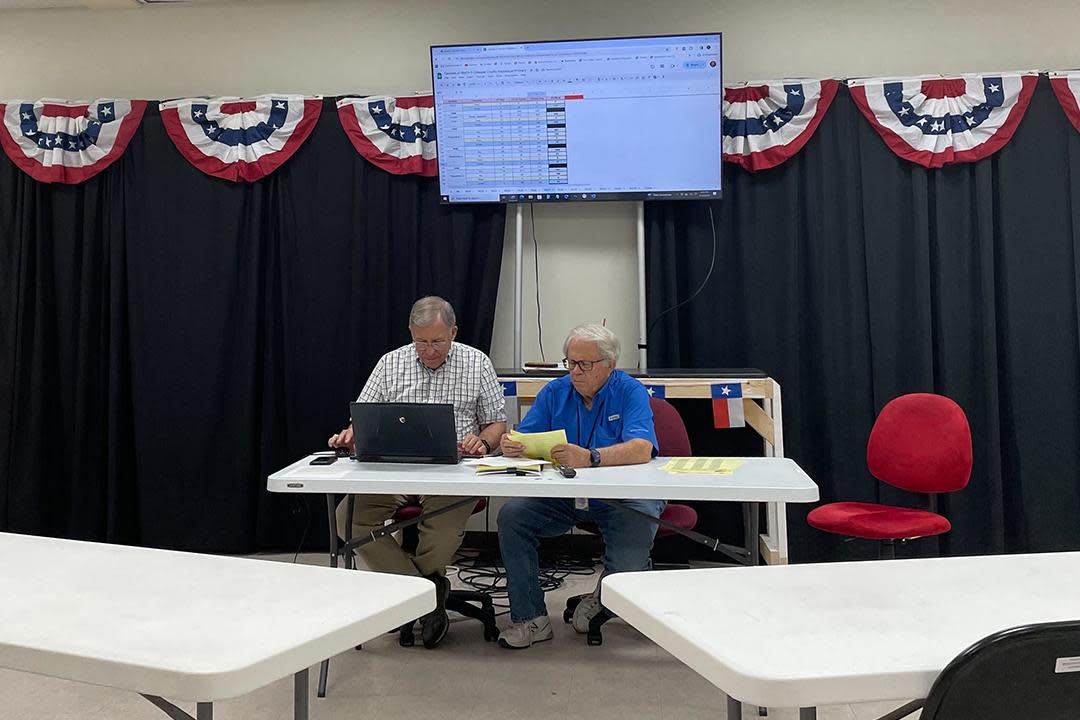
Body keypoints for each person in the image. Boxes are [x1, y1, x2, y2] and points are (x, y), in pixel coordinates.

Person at [328, 296, 506, 648]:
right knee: (348, 518)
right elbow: (362, 419)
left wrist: (483, 443)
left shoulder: (477, 363)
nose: (428, 350)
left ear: (453, 332)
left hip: (452, 473)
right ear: (411, 333)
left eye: (438, 341)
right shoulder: (390, 363)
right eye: (421, 341)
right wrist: (351, 436)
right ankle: (428, 596)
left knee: (440, 533)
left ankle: (413, 598)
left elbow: (496, 424)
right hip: (391, 470)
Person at [496, 323, 660, 649]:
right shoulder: (555, 392)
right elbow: (524, 438)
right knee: (512, 517)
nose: (575, 371)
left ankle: (604, 596)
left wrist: (592, 457)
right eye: (570, 362)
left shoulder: (630, 391)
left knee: (639, 524)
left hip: (622, 497)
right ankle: (531, 619)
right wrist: (511, 444)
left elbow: (642, 447)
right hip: (565, 496)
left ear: (610, 365)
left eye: (584, 364)